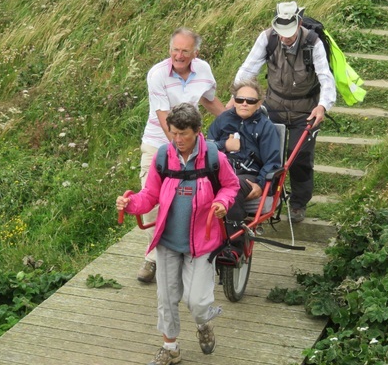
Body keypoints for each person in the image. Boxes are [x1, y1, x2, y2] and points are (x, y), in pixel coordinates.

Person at [116, 103, 239, 365]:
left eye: (183, 134)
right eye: (173, 133)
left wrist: (222, 203)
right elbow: (149, 195)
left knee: (196, 301)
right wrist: (131, 205)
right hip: (169, 241)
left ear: (197, 131)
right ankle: (170, 348)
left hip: (203, 242)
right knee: (167, 297)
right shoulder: (163, 156)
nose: (178, 140)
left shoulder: (215, 158)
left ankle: (204, 323)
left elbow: (230, 186)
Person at [229, 1, 336, 223]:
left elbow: (326, 77)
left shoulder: (313, 42)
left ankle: (298, 203)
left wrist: (323, 106)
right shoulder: (267, 38)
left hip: (305, 110)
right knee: (268, 154)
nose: (285, 37)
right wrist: (238, 97)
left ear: (298, 23)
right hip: (273, 107)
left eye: (289, 32)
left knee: (299, 158)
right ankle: (268, 199)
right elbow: (248, 69)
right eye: (281, 32)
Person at [138, 27, 225, 283]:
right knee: (152, 199)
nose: (179, 55)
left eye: (185, 51)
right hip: (158, 144)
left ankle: (192, 251)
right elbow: (164, 118)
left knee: (192, 200)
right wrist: (180, 152)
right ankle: (152, 259)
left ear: (195, 53)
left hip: (192, 145)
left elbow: (209, 100)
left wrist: (235, 118)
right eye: (175, 49)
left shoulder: (204, 70)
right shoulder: (157, 75)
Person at [207, 78, 281, 241]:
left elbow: (272, 162)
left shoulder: (265, 127)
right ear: (234, 100)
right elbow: (206, 147)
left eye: (250, 100)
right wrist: (225, 144)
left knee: (233, 187)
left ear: (258, 103)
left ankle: (233, 244)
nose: (244, 104)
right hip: (221, 168)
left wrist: (261, 185)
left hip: (247, 174)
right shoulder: (222, 120)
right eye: (240, 99)